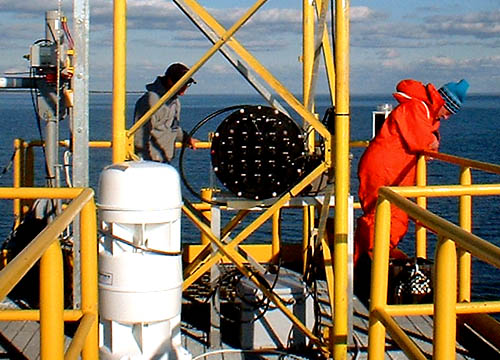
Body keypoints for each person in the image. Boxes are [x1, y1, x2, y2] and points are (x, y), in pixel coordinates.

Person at [354, 78, 469, 266]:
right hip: (384, 171)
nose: (447, 117)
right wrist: (431, 142)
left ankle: (376, 260)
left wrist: (432, 140)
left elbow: (424, 137)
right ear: (443, 102)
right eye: (448, 111)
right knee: (379, 217)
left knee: (392, 218)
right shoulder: (416, 108)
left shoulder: (420, 110)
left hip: (390, 171)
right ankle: (366, 265)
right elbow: (421, 140)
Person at [134, 62, 199, 163]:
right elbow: (140, 136)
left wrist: (185, 138)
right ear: (170, 81)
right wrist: (145, 165)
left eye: (187, 84)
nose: (185, 88)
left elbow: (172, 127)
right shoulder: (150, 101)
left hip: (163, 162)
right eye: (183, 84)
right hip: (151, 165)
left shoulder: (174, 102)